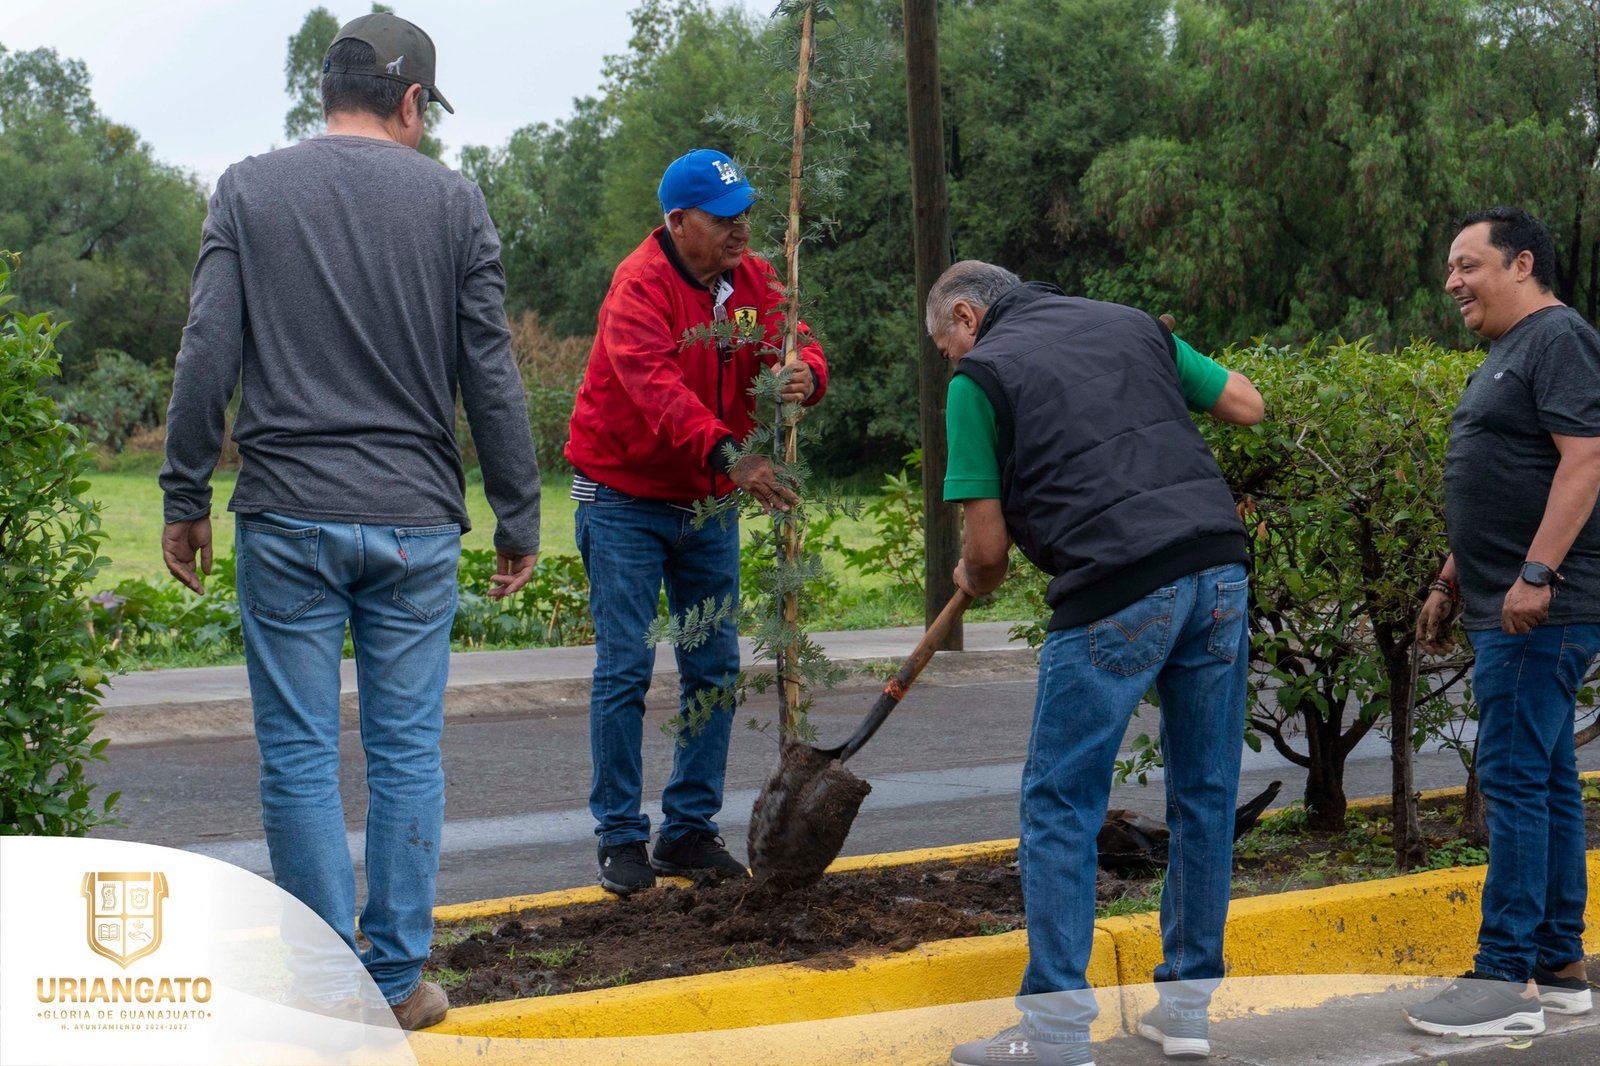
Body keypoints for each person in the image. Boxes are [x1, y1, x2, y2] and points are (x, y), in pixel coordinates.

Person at [159, 13, 540, 1031]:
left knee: (297, 753)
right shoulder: (456, 204)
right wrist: (517, 512)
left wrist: (184, 493)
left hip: (286, 516)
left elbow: (206, 352)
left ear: (324, 93)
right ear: (411, 101)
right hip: (415, 524)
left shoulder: (248, 187)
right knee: (406, 750)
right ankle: (394, 982)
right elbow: (490, 373)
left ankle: (328, 990)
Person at [927, 262, 1265, 1066]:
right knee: (1206, 793)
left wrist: (970, 578)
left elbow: (989, 551)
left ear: (968, 317)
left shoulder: (980, 377)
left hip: (1116, 583)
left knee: (1061, 804)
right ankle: (1186, 1011)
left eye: (945, 347)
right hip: (1219, 571)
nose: (949, 362)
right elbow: (1247, 405)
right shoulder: (1130, 322)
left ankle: (1055, 1032)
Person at [565, 149, 828, 896]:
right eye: (723, 219)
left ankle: (687, 830)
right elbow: (652, 388)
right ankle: (621, 836)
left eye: (746, 214)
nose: (741, 230)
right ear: (678, 222)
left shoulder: (752, 281)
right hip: (623, 496)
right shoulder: (638, 288)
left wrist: (809, 370)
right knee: (625, 668)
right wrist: (729, 455)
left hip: (706, 499)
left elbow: (792, 337)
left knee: (712, 665)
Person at [1405, 207, 1600, 1039]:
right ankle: (1557, 965)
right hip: (1503, 602)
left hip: (1538, 610)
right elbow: (1504, 474)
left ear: (1522, 264)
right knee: (1548, 782)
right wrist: (1453, 578)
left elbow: (1585, 459)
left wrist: (1535, 575)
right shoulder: (1509, 353)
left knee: (1515, 783)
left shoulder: (1557, 337)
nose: (1452, 282)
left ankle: (1503, 977)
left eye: (1467, 265)